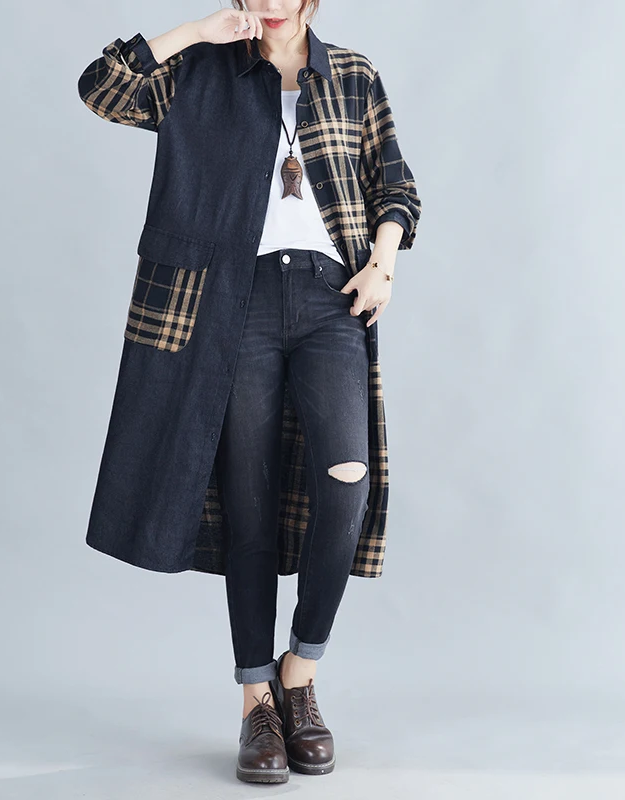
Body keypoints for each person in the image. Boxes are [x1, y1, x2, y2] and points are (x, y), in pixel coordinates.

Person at [77, 0, 421, 784]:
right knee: (249, 499)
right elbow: (103, 88)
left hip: (332, 299)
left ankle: (301, 672)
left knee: (347, 482)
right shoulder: (201, 70)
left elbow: (396, 184)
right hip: (234, 301)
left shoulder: (353, 75)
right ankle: (257, 700)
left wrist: (384, 262)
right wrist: (196, 33)